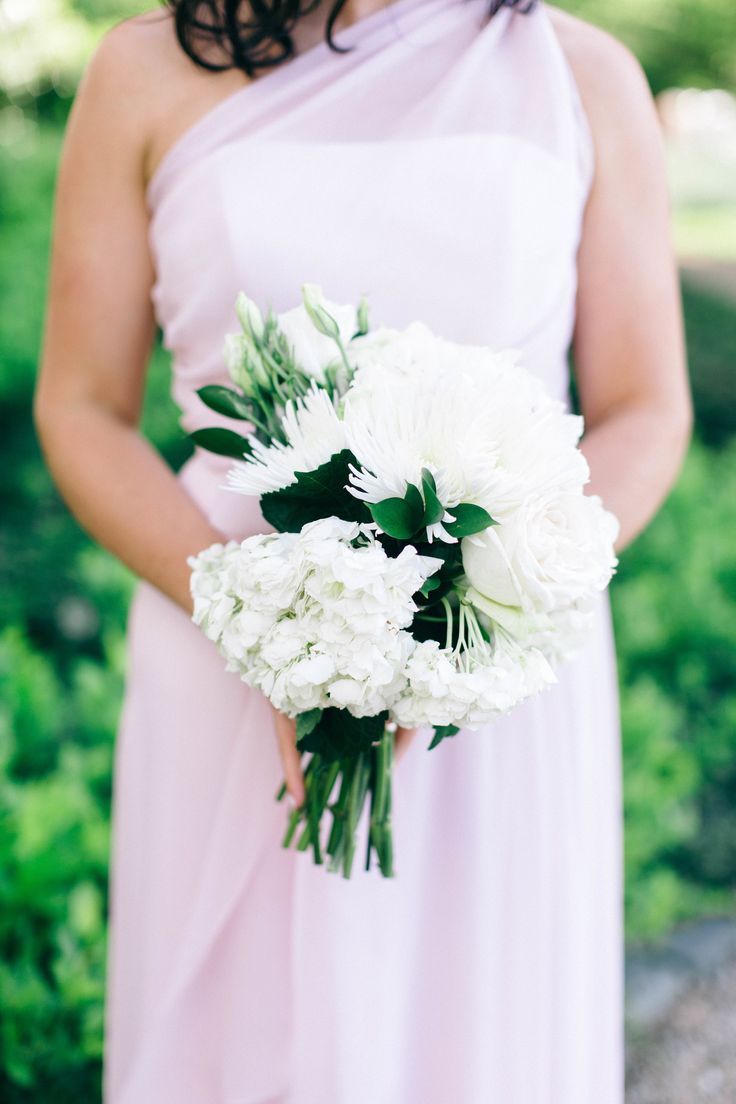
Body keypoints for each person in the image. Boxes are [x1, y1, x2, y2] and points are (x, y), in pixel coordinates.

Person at [34, 0, 692, 1100]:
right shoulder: (141, 71)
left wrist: (485, 599)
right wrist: (268, 622)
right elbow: (82, 408)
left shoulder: (584, 75)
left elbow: (642, 408)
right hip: (224, 649)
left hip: (495, 678)